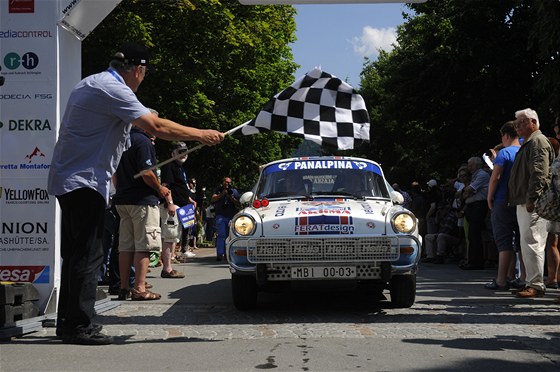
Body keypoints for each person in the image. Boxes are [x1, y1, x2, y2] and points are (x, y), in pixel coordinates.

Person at [47, 42, 224, 345]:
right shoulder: (114, 89)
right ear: (138, 70)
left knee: (77, 254)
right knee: (89, 254)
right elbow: (155, 125)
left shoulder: (92, 82)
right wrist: (201, 134)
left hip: (74, 178)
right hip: (85, 180)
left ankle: (68, 322)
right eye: (144, 74)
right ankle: (80, 326)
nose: (142, 80)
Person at [112, 122, 170, 301]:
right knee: (143, 246)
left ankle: (123, 287)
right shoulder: (142, 141)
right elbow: (147, 173)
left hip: (122, 199)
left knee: (125, 246)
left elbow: (114, 173)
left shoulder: (121, 138)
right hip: (142, 201)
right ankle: (140, 288)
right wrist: (160, 188)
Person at [508, 108, 555, 298]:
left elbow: (540, 173)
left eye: (521, 122)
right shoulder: (530, 142)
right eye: (516, 122)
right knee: (527, 242)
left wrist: (533, 198)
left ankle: (535, 285)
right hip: (525, 200)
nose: (517, 126)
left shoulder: (537, 141)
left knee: (533, 242)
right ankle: (531, 282)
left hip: (532, 202)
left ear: (533, 123)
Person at [485, 121, 521, 290]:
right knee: (519, 241)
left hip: (502, 200)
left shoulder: (504, 153)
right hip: (520, 202)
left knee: (504, 241)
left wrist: (489, 197)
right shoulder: (524, 150)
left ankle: (501, 280)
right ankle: (516, 277)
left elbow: (496, 177)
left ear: (505, 135)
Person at [160, 142, 197, 260]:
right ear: (173, 153)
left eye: (185, 151)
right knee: (169, 235)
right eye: (180, 151)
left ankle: (172, 256)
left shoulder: (180, 167)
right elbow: (165, 186)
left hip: (182, 204)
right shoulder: (169, 165)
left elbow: (180, 186)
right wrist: (170, 203)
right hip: (173, 205)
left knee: (176, 233)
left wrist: (189, 199)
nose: (184, 154)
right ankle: (167, 264)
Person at [459, 157, 490, 270]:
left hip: (479, 205)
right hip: (472, 206)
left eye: (471, 165)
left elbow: (468, 190)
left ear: (477, 165)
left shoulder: (482, 175)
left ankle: (476, 262)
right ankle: (472, 260)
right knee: (472, 234)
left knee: (474, 233)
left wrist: (466, 192)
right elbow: (464, 193)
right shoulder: (474, 176)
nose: (469, 167)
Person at [211, 176, 240, 261]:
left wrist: (231, 198)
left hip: (231, 216)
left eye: (229, 182)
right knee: (221, 235)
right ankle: (220, 254)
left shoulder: (234, 191)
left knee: (230, 236)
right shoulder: (218, 190)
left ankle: (228, 254)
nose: (227, 184)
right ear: (223, 182)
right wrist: (222, 194)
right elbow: (212, 199)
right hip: (220, 215)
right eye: (226, 182)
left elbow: (239, 203)